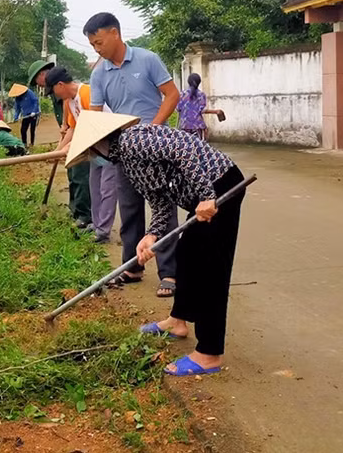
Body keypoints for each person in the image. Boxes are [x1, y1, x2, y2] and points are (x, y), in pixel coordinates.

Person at [65, 110, 246, 376]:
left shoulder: (133, 141)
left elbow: (184, 150)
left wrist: (207, 196)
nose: (95, 156)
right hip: (202, 197)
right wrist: (151, 235)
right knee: (186, 252)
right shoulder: (128, 162)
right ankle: (177, 321)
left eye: (93, 151)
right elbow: (160, 199)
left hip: (221, 186)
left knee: (210, 268)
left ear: (101, 143)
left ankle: (209, 353)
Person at [85, 12, 181, 297]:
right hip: (125, 151)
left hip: (156, 146)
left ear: (114, 33)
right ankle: (133, 266)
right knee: (129, 209)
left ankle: (170, 273)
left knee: (163, 207)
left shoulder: (147, 59)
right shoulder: (99, 73)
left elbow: (172, 95)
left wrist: (153, 128)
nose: (97, 49)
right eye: (92, 45)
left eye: (99, 42)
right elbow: (96, 116)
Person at [45, 67, 119, 240]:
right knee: (94, 188)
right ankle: (96, 224)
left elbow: (94, 125)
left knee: (107, 190)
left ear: (60, 85)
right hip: (95, 149)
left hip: (110, 146)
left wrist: (72, 146)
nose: (54, 95)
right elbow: (73, 127)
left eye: (53, 90)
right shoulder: (70, 102)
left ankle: (103, 232)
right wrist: (58, 151)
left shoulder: (86, 94)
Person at [29, 59, 89, 229]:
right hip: (73, 139)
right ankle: (76, 210)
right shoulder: (64, 95)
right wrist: (60, 148)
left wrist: (67, 144)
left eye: (38, 81)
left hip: (87, 143)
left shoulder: (78, 94)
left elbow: (81, 125)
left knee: (81, 177)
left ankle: (85, 216)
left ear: (43, 75)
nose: (42, 87)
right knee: (73, 175)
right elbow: (70, 125)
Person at [177, 73, 208, 140]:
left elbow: (178, 108)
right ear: (199, 82)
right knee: (197, 147)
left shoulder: (182, 94)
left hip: (184, 125)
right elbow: (201, 111)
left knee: (185, 147)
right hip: (197, 126)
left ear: (188, 82)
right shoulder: (202, 95)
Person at [9, 83, 40, 148]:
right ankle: (24, 144)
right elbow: (17, 109)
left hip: (33, 114)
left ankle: (32, 143)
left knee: (32, 129)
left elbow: (35, 101)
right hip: (25, 115)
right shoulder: (17, 99)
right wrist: (15, 117)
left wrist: (34, 111)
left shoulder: (29, 92)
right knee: (23, 130)